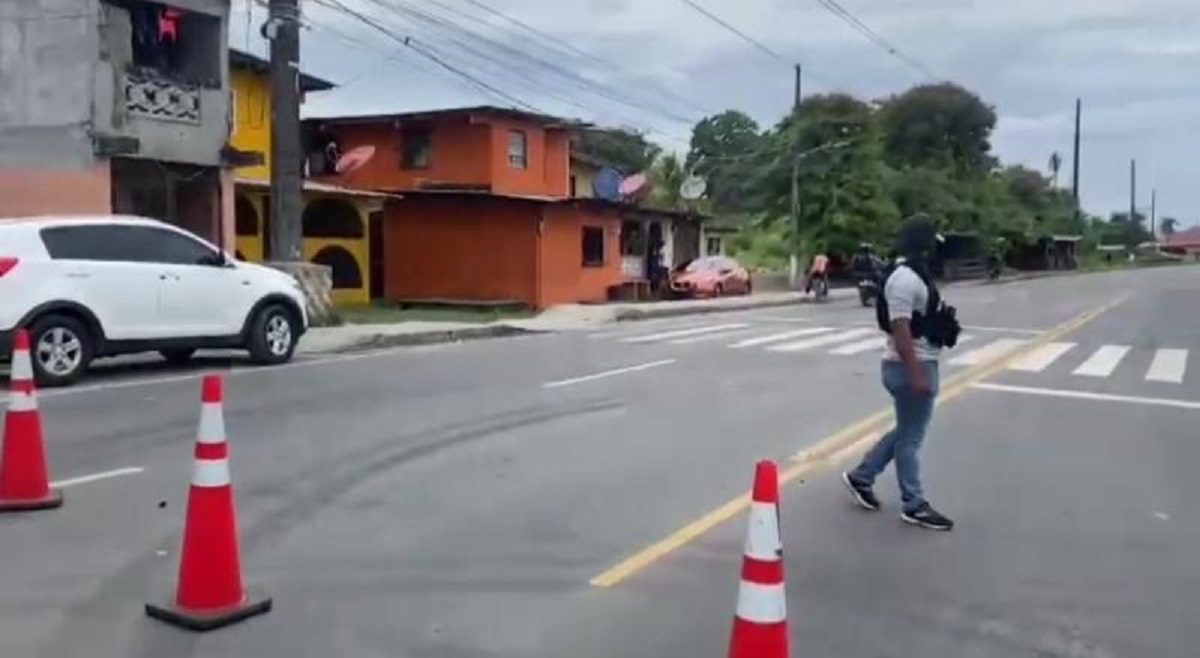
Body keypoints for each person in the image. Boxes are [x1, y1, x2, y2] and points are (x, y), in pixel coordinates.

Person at [842, 216, 957, 531]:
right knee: (911, 438)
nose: (935, 250)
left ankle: (862, 476)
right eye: (932, 243)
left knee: (906, 430)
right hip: (909, 365)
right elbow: (900, 327)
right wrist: (916, 371)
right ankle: (914, 503)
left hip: (916, 362)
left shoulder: (913, 274)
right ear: (923, 244)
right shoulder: (904, 279)